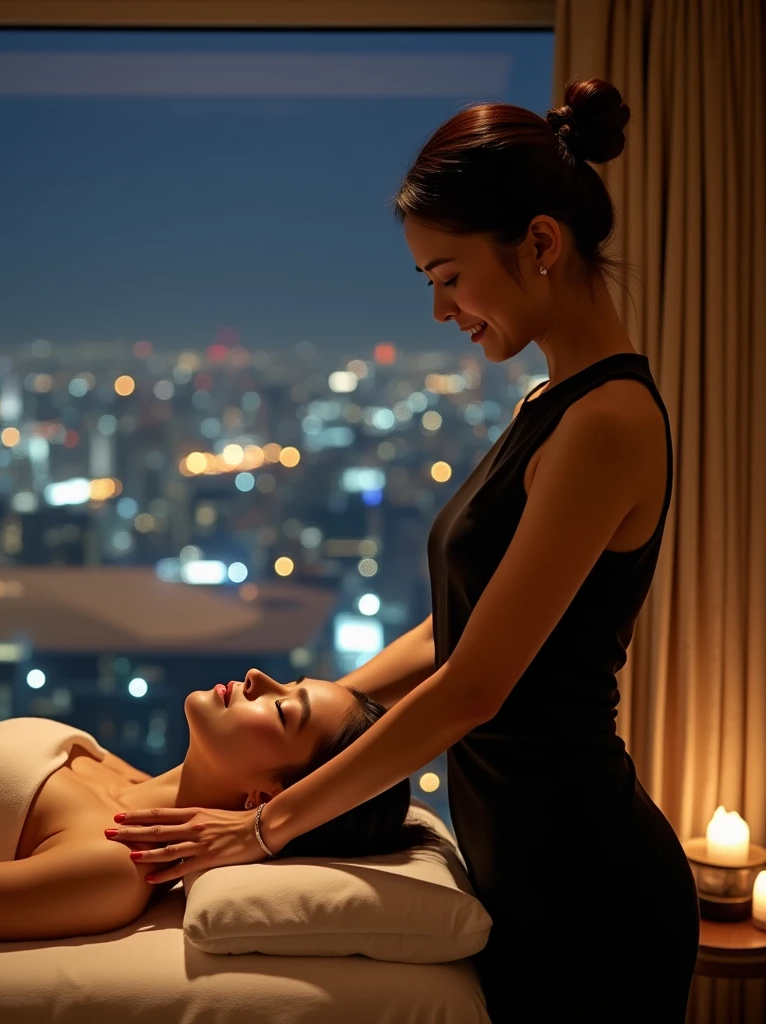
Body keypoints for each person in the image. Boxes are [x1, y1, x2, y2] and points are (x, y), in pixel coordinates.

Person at [104, 76, 700, 1022]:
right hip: (527, 862)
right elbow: (463, 627)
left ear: (540, 244)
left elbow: (477, 686)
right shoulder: (552, 405)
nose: (441, 312)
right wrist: (340, 698)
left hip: (591, 882)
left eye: (448, 277)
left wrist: (262, 827)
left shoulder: (610, 422)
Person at [0, 677, 438, 943]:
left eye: (281, 709)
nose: (257, 677)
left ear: (268, 799)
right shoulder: (122, 775)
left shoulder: (117, 866)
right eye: (285, 683)